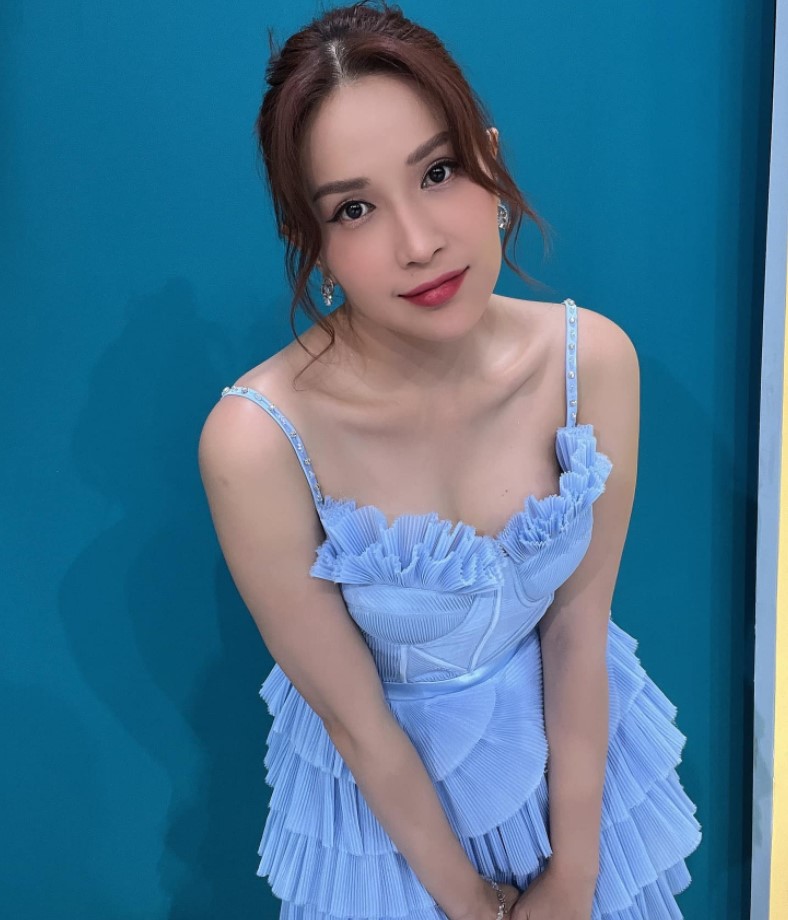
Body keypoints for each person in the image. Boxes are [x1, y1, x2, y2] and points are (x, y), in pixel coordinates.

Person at [198, 2, 702, 918]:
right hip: (390, 830)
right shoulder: (259, 439)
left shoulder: (592, 362)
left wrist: (573, 881)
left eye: (438, 172)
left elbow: (580, 632)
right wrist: (470, 904)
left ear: (490, 161)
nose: (419, 242)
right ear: (311, 242)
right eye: (354, 208)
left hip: (575, 788)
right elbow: (354, 720)